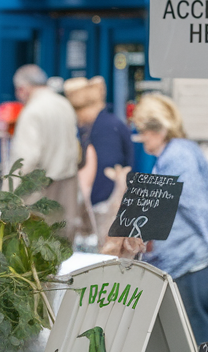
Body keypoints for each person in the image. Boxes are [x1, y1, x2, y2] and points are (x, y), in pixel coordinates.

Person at [131, 93, 208, 344]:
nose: (142, 139)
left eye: (144, 131)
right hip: (185, 264)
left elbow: (201, 211)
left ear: (159, 129)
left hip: (192, 265)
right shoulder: (173, 154)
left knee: (194, 346)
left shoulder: (177, 156)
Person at [9, 64, 83, 238]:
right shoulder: (64, 104)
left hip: (40, 194)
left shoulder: (32, 112)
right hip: (66, 187)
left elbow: (25, 159)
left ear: (23, 88)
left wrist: (10, 195)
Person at [67, 76, 135, 223]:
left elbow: (104, 172)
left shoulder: (103, 128)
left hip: (102, 208)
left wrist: (86, 206)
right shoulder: (111, 123)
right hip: (108, 204)